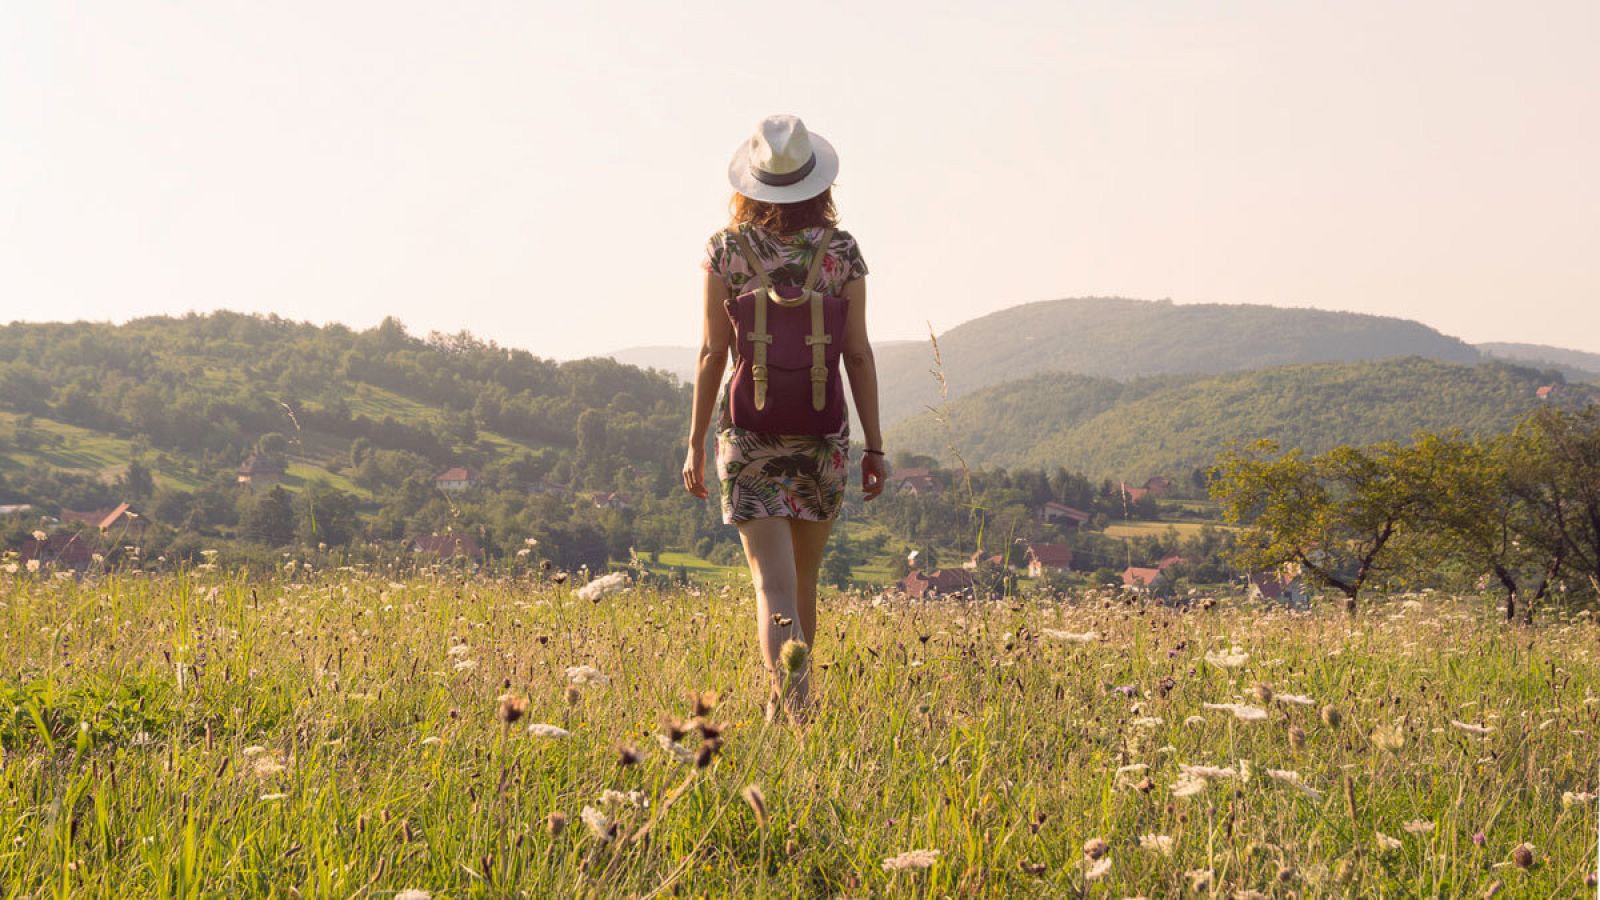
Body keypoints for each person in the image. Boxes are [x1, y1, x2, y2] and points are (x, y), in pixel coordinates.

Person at [682, 115, 886, 722]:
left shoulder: (725, 249)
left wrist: (695, 442)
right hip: (823, 439)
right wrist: (874, 445)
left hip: (747, 436)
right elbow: (858, 353)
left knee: (772, 588)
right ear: (818, 184)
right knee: (802, 585)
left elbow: (711, 354)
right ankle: (787, 708)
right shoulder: (841, 251)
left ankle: (792, 713)